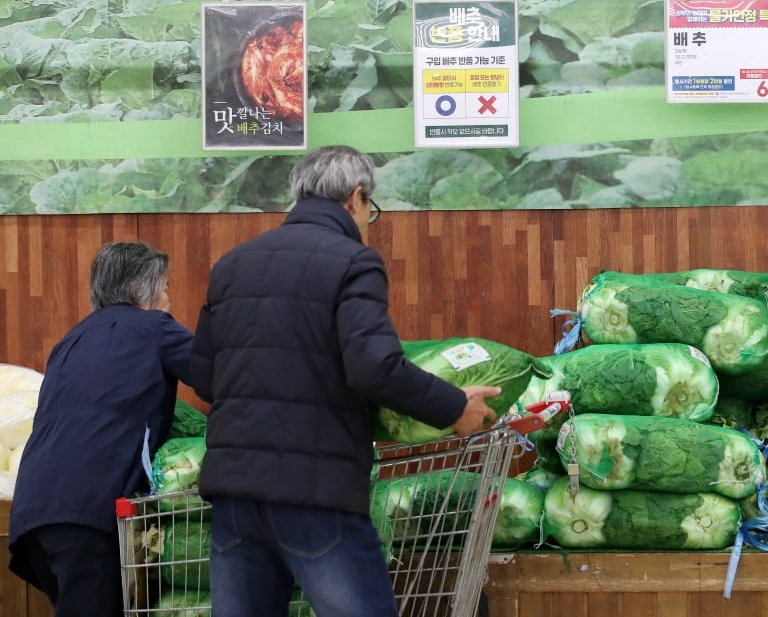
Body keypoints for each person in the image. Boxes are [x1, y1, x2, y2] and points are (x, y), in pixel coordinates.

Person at [191, 145, 499, 617]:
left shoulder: (233, 265)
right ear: (356, 198)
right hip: (315, 493)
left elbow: (206, 379)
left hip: (236, 494)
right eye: (370, 211)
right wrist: (454, 407)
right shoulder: (352, 261)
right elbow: (374, 367)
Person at [7, 241, 194, 617]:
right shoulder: (153, 326)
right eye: (167, 286)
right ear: (147, 290)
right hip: (88, 513)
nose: (170, 297)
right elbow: (224, 375)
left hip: (34, 512)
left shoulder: (70, 341)